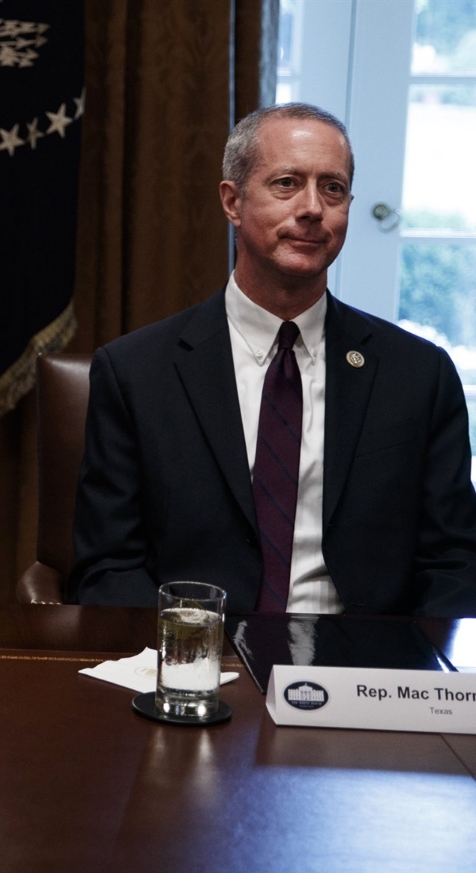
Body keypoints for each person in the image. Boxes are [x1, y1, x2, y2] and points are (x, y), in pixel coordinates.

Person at [71, 103, 476, 617]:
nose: (312, 208)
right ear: (232, 201)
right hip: (197, 668)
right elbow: (108, 567)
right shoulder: (136, 373)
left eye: (332, 188)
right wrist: (187, 666)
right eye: (287, 183)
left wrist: (408, 678)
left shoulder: (418, 375)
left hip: (365, 672)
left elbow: (453, 563)